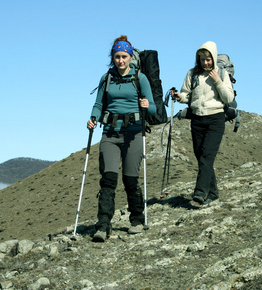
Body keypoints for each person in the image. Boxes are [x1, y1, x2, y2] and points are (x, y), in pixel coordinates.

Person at [87, 35, 156, 242]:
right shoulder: (106, 78)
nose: (121, 61)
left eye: (124, 56)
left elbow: (152, 107)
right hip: (109, 133)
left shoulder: (140, 78)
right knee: (108, 179)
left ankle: (136, 220)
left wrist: (146, 106)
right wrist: (93, 118)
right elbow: (99, 104)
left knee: (130, 178)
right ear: (113, 57)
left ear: (130, 57)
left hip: (133, 133)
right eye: (117, 57)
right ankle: (103, 225)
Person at [171, 41, 234, 205]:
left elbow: (228, 98)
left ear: (213, 57)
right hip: (197, 119)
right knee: (201, 158)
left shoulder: (221, 73)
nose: (205, 62)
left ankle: (199, 193)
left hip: (216, 119)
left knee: (206, 156)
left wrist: (218, 80)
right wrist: (180, 97)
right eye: (202, 59)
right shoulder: (192, 74)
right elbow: (187, 95)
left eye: (208, 59)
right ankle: (213, 193)